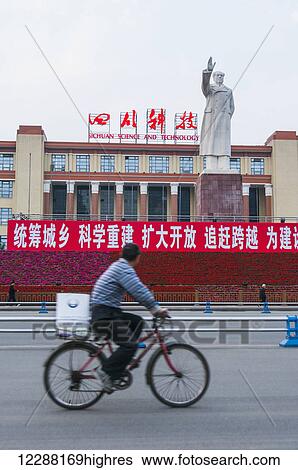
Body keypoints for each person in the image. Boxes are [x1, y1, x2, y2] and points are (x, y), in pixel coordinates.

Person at [91, 243, 169, 393]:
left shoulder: (119, 266)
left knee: (137, 322)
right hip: (104, 315)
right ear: (138, 257)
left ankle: (123, 358)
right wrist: (155, 308)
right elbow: (138, 290)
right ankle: (105, 370)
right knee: (130, 345)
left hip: (108, 312)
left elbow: (136, 290)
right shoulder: (124, 269)